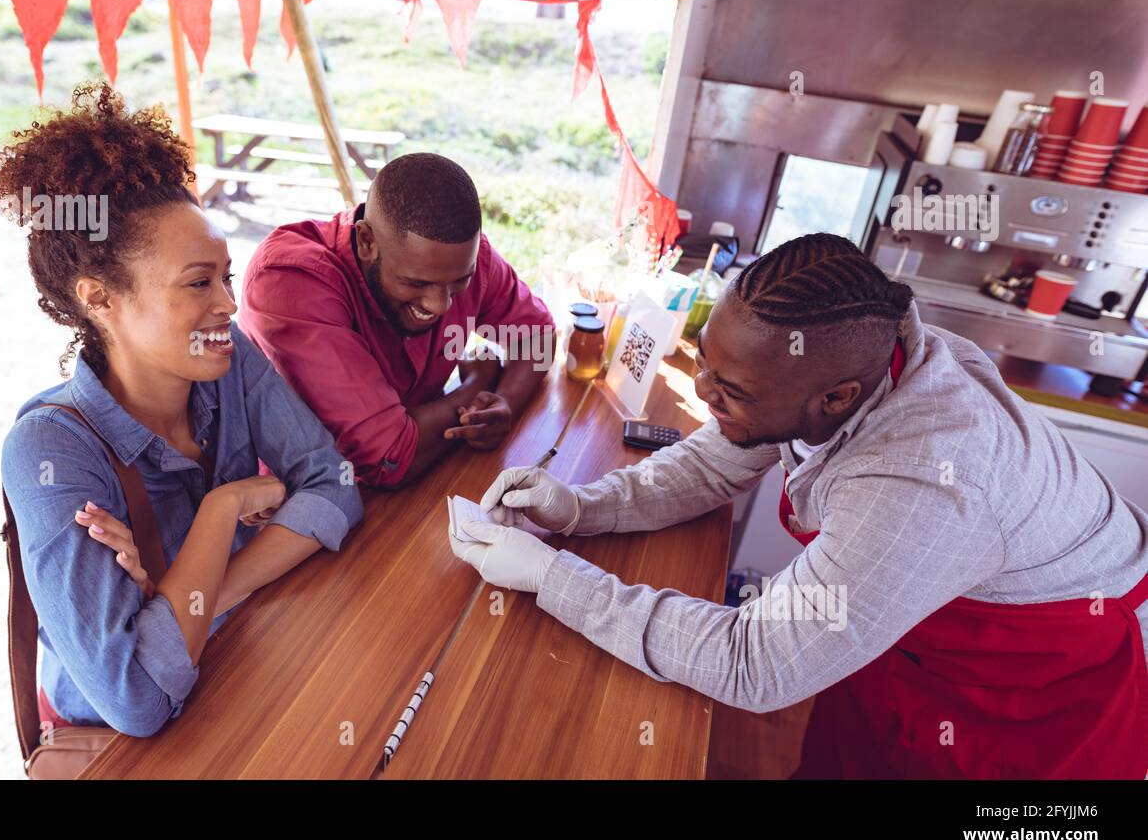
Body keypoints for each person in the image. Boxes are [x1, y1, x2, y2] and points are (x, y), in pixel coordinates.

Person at [450, 232, 1148, 778]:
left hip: (1028, 686)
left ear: (836, 398)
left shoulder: (924, 479)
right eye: (706, 370)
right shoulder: (851, 362)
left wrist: (551, 576)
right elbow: (715, 459)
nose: (707, 398)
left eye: (733, 392)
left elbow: (756, 665)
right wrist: (577, 508)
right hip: (919, 638)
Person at [0, 83, 362, 737]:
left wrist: (200, 596)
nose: (228, 302)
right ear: (100, 298)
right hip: (122, 739)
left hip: (237, 647)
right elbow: (135, 696)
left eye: (226, 275)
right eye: (199, 282)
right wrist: (224, 511)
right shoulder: (50, 450)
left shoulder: (228, 359)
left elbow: (334, 484)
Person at [239, 152, 555, 487]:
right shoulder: (290, 281)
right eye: (416, 283)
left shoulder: (455, 259)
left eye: (459, 282)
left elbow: (538, 337)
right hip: (300, 503)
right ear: (366, 242)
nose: (440, 305)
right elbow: (389, 457)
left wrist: (502, 404)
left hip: (424, 483)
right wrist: (476, 386)